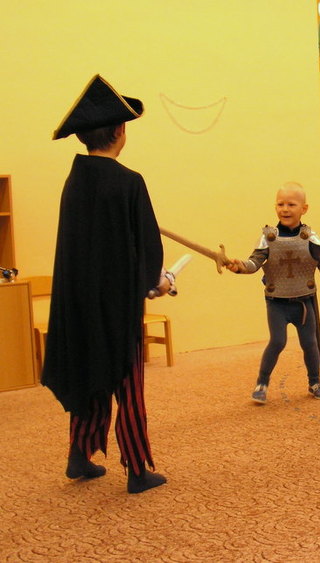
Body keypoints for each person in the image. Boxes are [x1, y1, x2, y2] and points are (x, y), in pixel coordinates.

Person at [42, 75, 170, 494]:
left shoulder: (75, 181)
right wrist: (155, 281)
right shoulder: (129, 181)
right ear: (120, 131)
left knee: (90, 370)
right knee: (127, 382)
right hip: (117, 307)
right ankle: (137, 470)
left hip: (79, 304)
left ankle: (79, 455)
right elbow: (147, 244)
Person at [227, 182, 320, 403]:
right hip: (277, 303)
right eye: (280, 204)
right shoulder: (268, 237)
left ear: (304, 208)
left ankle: (315, 382)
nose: (285, 209)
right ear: (275, 207)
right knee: (277, 342)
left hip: (303, 303)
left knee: (310, 343)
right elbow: (254, 263)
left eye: (291, 204)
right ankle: (261, 383)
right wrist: (239, 266)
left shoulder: (310, 238)